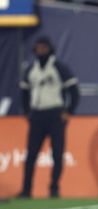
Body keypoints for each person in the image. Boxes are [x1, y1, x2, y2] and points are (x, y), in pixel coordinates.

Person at [18, 36, 80, 198]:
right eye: (38, 48)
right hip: (37, 114)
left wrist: (69, 111)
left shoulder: (58, 67)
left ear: (49, 49)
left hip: (55, 114)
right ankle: (26, 190)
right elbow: (24, 91)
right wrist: (27, 112)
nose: (40, 51)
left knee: (57, 154)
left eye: (43, 48)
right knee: (31, 154)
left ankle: (54, 188)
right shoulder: (32, 69)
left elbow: (74, 90)